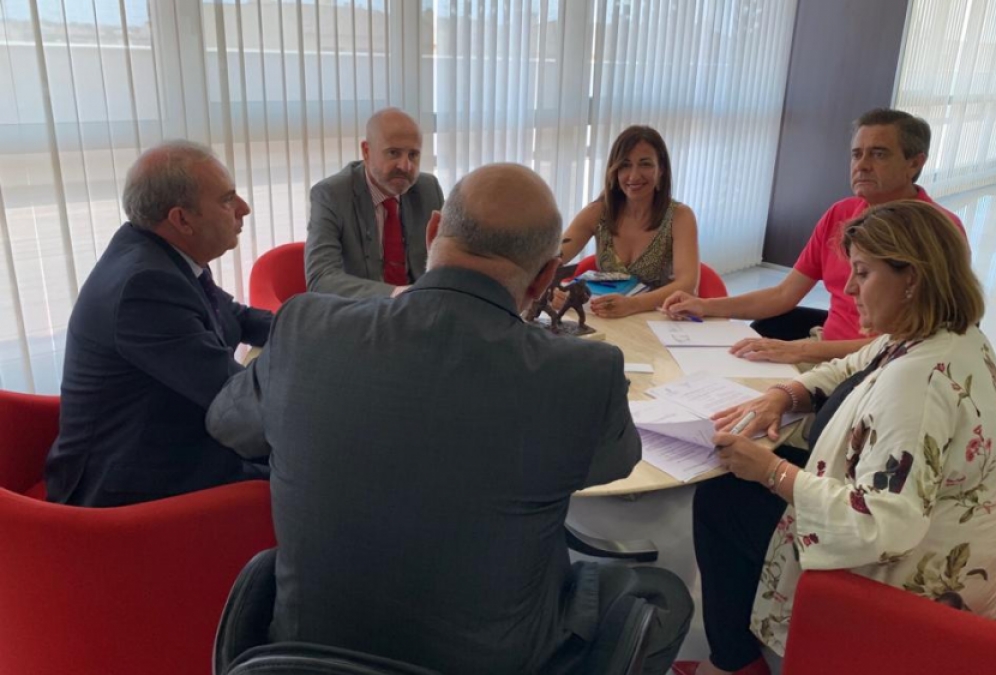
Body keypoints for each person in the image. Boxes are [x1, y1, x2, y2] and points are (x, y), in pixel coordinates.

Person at [207, 163, 692, 675]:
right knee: (664, 594)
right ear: (547, 275)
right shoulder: (582, 373)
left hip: (302, 659)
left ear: (433, 230)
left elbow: (227, 424)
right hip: (498, 660)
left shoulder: (306, 328)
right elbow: (613, 462)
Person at [689, 200, 996, 675]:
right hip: (952, 550)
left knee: (721, 499)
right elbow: (851, 365)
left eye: (862, 273)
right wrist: (785, 393)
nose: (847, 289)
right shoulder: (947, 335)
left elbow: (880, 526)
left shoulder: (917, 383)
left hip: (909, 586)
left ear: (912, 279)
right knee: (742, 489)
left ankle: (736, 664)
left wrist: (771, 472)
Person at [44, 141, 273, 507]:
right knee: (325, 469)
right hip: (132, 487)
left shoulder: (160, 256)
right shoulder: (145, 284)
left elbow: (239, 318)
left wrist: (327, 330)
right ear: (181, 220)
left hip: (172, 443)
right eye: (227, 199)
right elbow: (238, 401)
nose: (244, 208)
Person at [662, 108, 964, 365]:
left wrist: (801, 350)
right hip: (826, 351)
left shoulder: (938, 231)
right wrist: (705, 306)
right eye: (856, 154)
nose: (862, 165)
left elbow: (916, 344)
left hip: (881, 366)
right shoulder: (840, 213)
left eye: (879, 154)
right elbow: (784, 295)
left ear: (915, 163)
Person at [557, 125, 699, 318]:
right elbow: (549, 261)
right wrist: (551, 291)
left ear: (661, 170)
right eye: (625, 165)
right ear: (614, 171)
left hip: (661, 321)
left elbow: (687, 285)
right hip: (608, 320)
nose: (633, 176)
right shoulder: (597, 212)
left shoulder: (680, 216)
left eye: (645, 164)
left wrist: (633, 304)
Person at [305, 107, 444, 299]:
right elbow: (321, 278)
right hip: (362, 310)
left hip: (420, 306)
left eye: (413, 155)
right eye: (393, 153)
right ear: (366, 151)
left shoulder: (428, 189)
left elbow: (449, 260)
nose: (405, 166)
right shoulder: (331, 195)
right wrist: (398, 294)